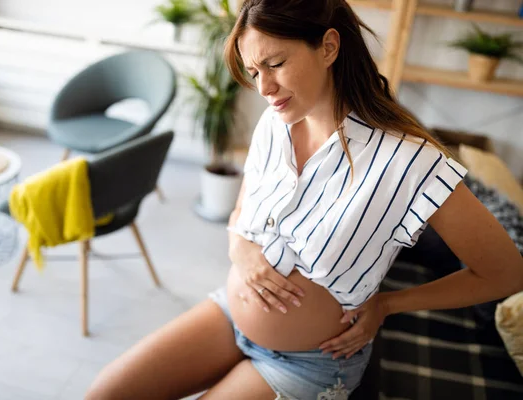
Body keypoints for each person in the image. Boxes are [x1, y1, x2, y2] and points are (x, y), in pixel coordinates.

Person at [85, 0, 523, 399]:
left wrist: (388, 304)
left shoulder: (409, 161)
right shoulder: (274, 121)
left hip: (307, 365)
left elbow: (506, 272)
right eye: (255, 72)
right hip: (230, 313)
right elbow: (243, 210)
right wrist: (240, 245)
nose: (264, 87)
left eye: (275, 63)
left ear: (329, 47)